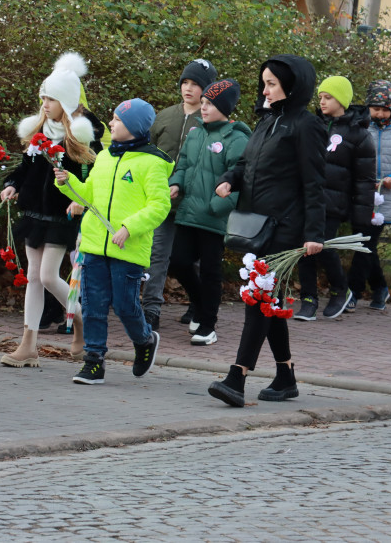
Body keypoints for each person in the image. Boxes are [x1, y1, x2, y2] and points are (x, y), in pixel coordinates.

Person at [208, 54, 326, 408]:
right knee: (268, 300)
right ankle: (286, 375)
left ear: (291, 87)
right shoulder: (266, 121)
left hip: (286, 231)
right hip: (258, 226)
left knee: (257, 299)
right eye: (264, 83)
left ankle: (237, 377)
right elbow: (246, 163)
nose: (265, 90)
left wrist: (314, 234)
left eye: (271, 83)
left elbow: (315, 183)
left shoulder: (306, 126)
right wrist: (230, 179)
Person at [54, 98, 170, 385]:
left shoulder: (152, 163)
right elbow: (88, 196)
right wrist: (67, 182)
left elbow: (159, 206)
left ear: (132, 126)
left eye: (117, 120)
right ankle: (94, 361)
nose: (112, 123)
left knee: (124, 305)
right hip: (95, 244)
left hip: (128, 249)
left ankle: (144, 340)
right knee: (93, 304)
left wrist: (129, 228)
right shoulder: (104, 158)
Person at [0, 52, 102, 367]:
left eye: (52, 98)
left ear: (67, 102)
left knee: (47, 276)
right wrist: (13, 184)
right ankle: (28, 344)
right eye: (43, 97)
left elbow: (96, 175)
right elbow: (26, 169)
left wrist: (81, 199)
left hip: (62, 215)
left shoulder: (82, 135)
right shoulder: (39, 134)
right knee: (33, 276)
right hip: (34, 214)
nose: (44, 104)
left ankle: (83, 322)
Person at [167, 79, 251, 346]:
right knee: (178, 262)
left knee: (211, 272)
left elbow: (241, 181)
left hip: (214, 219)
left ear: (224, 107)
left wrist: (217, 207)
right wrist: (175, 183)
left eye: (210, 104)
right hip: (188, 213)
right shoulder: (195, 133)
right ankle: (199, 302)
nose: (203, 107)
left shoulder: (237, 139)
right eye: (202, 102)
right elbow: (183, 165)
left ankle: (207, 325)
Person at [291, 76, 375, 321]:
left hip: (334, 202)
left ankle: (341, 289)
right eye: (320, 97)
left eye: (328, 97)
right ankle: (308, 299)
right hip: (307, 198)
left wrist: (362, 215)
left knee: (324, 245)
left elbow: (364, 179)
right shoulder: (314, 125)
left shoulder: (359, 135)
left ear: (342, 100)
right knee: (303, 248)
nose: (322, 102)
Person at [145, 59, 218, 331]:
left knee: (192, 259)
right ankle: (151, 308)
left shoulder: (212, 120)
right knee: (158, 256)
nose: (188, 88)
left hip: (195, 204)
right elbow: (147, 154)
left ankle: (197, 304)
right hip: (162, 200)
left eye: (196, 84)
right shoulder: (163, 117)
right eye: (185, 82)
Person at [346, 80, 391, 312]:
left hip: (383, 201)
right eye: (375, 108)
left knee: (363, 243)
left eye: (385, 109)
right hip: (358, 196)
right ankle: (380, 287)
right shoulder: (359, 130)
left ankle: (352, 292)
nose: (380, 113)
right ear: (367, 107)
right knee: (367, 245)